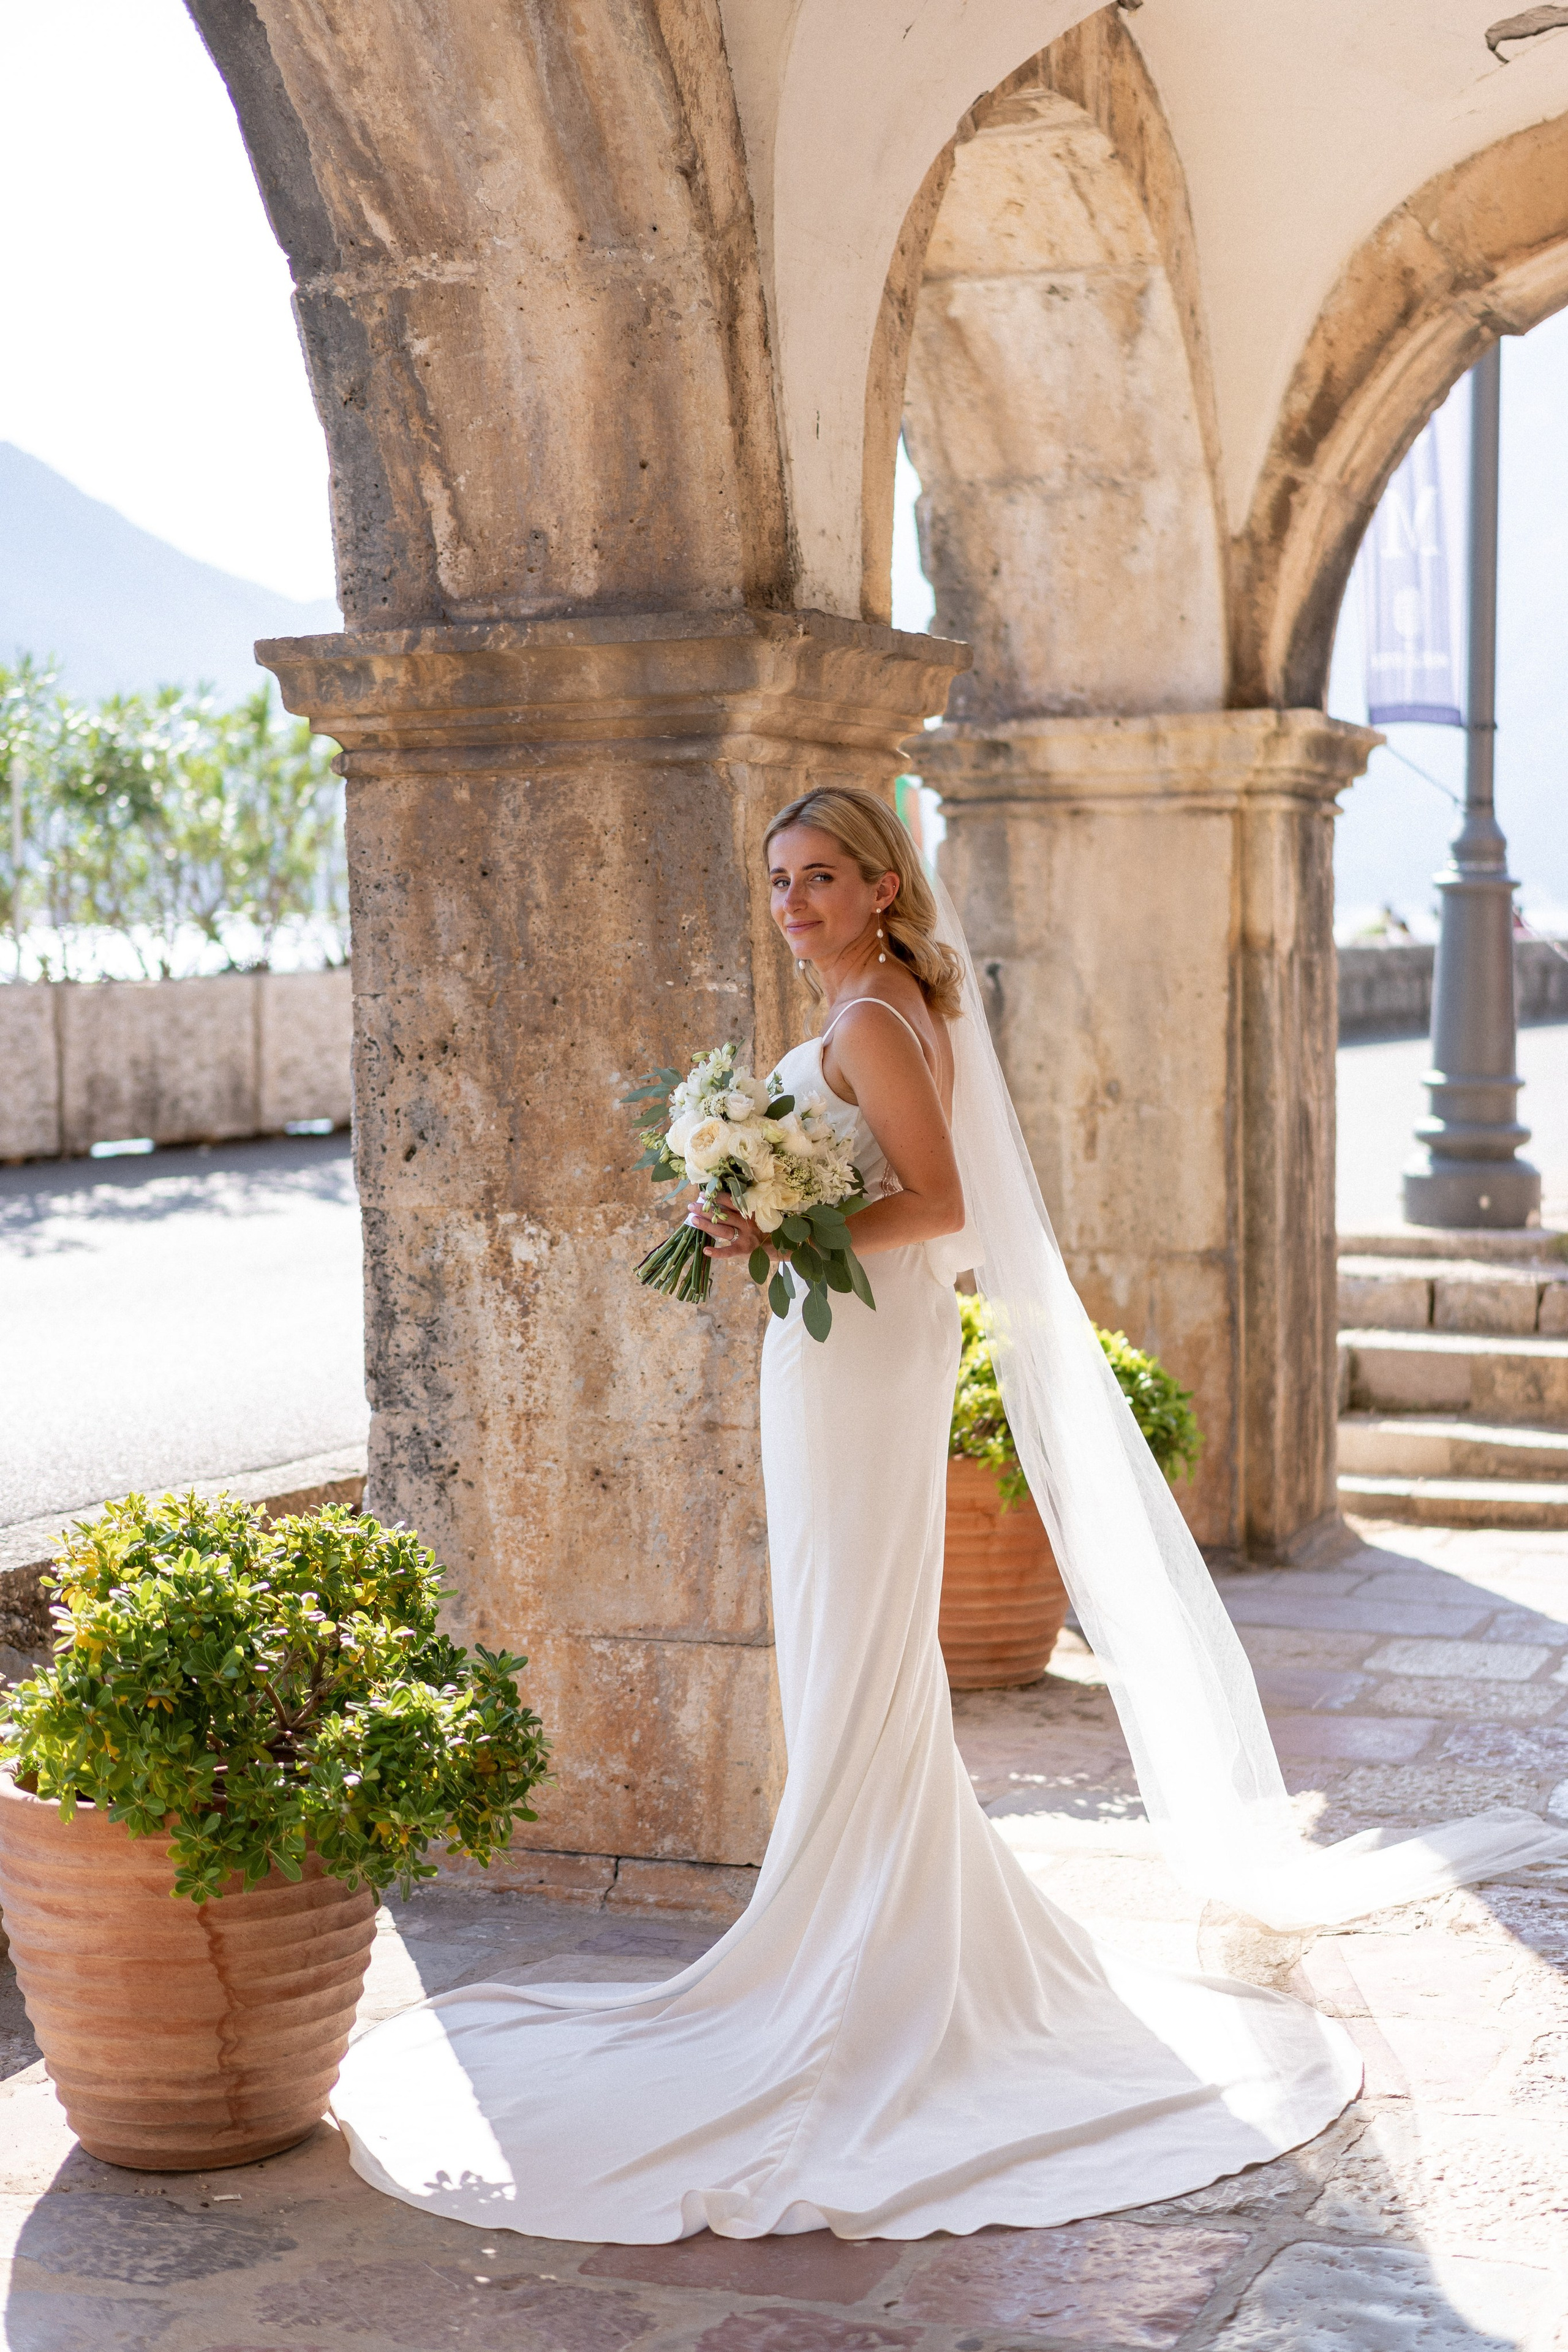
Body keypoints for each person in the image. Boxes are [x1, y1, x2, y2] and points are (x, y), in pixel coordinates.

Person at [333, 784, 1560, 2242]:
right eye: (778, 878)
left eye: (818, 878)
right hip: (838, 1339)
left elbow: (942, 1201)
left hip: (858, 1349)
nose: (791, 903)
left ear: (878, 883)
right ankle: (876, 1916)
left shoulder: (868, 1022)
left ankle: (860, 1955)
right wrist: (751, 1210)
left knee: (851, 1638)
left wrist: (774, 1220)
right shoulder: (888, 1001)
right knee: (846, 1637)